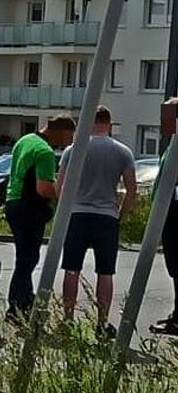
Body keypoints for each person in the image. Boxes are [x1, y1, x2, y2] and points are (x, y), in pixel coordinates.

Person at [57, 106, 136, 337]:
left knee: (71, 269)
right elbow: (132, 189)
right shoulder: (123, 152)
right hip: (107, 216)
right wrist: (121, 214)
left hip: (78, 214)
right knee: (105, 272)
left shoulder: (73, 150)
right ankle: (102, 323)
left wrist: (66, 210)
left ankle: (68, 320)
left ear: (89, 123)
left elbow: (60, 186)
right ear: (109, 124)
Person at [5, 115, 76, 325]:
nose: (70, 141)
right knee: (28, 259)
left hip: (13, 202)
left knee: (24, 257)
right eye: (69, 135)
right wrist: (63, 194)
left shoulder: (25, 140)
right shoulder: (45, 152)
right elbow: (44, 189)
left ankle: (25, 298)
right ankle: (17, 305)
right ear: (60, 131)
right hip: (29, 208)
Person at [152, 97, 178, 337]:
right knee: (174, 267)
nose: (163, 121)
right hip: (168, 214)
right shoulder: (172, 145)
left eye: (167, 116)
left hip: (175, 214)